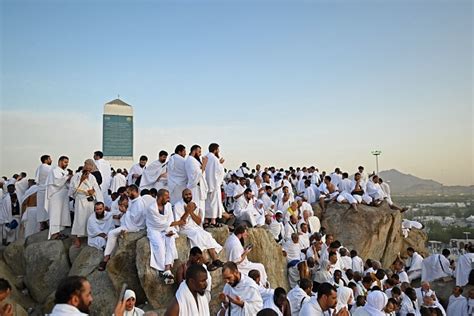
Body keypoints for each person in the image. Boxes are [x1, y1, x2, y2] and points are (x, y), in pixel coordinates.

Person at [98, 185, 147, 271]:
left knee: (111, 233)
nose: (127, 194)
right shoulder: (134, 200)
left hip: (135, 226)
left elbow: (135, 219)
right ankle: (109, 254)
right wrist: (123, 213)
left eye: (128, 192)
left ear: (134, 191)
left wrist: (125, 212)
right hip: (130, 223)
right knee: (113, 232)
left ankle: (106, 258)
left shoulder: (139, 203)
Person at [174, 189, 224, 270]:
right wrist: (187, 212)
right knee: (196, 236)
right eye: (186, 195)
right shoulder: (178, 206)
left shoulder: (194, 205)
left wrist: (191, 212)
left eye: (190, 194)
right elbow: (181, 222)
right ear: (182, 196)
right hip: (184, 229)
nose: (188, 196)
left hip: (195, 227)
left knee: (207, 235)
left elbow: (198, 221)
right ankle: (207, 263)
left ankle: (215, 260)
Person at [147, 189, 182, 284]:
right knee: (159, 247)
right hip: (154, 230)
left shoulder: (169, 206)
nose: (169, 199)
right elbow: (158, 223)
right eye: (167, 197)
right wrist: (175, 223)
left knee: (171, 241)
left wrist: (169, 230)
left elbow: (170, 219)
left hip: (166, 229)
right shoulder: (151, 208)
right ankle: (164, 271)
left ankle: (167, 268)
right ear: (160, 197)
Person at [69, 159, 104, 247]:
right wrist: (81, 180)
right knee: (79, 219)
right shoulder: (76, 176)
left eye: (90, 168)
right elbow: (72, 190)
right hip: (80, 200)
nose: (89, 169)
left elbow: (96, 188)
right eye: (88, 166)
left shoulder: (92, 177)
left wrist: (94, 192)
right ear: (85, 165)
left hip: (90, 201)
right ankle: (76, 237)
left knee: (90, 218)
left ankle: (89, 235)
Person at [45, 156, 72, 240]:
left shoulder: (64, 172)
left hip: (63, 196)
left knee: (62, 214)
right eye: (65, 162)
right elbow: (57, 182)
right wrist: (67, 177)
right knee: (55, 214)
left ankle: (59, 232)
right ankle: (54, 233)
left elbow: (67, 184)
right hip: (56, 195)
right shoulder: (54, 170)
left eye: (67, 162)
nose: (66, 164)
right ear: (60, 162)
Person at [204, 143, 226, 227]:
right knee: (214, 202)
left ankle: (206, 220)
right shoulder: (215, 159)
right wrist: (220, 164)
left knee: (207, 202)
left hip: (206, 184)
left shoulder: (205, 157)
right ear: (215, 150)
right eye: (218, 149)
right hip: (214, 184)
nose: (219, 151)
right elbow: (220, 172)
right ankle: (213, 221)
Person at [185, 145, 208, 211]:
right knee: (196, 208)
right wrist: (204, 164)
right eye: (199, 152)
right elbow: (197, 174)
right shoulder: (191, 160)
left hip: (199, 188)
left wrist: (203, 165)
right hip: (195, 188)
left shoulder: (194, 160)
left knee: (201, 208)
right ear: (194, 151)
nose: (200, 154)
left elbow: (199, 171)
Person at [35, 154, 52, 230]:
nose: (51, 160)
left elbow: (37, 181)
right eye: (50, 159)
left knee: (41, 207)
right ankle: (48, 224)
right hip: (47, 190)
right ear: (46, 160)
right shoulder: (49, 168)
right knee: (47, 207)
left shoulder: (38, 168)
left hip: (40, 190)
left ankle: (42, 224)